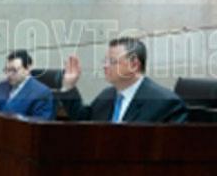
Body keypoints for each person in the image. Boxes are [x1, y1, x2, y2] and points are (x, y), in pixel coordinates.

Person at [56, 37, 187, 123]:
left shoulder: (165, 103)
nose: (105, 66)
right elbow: (84, 120)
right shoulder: (107, 95)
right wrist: (69, 86)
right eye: (105, 61)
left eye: (112, 61)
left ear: (134, 65)